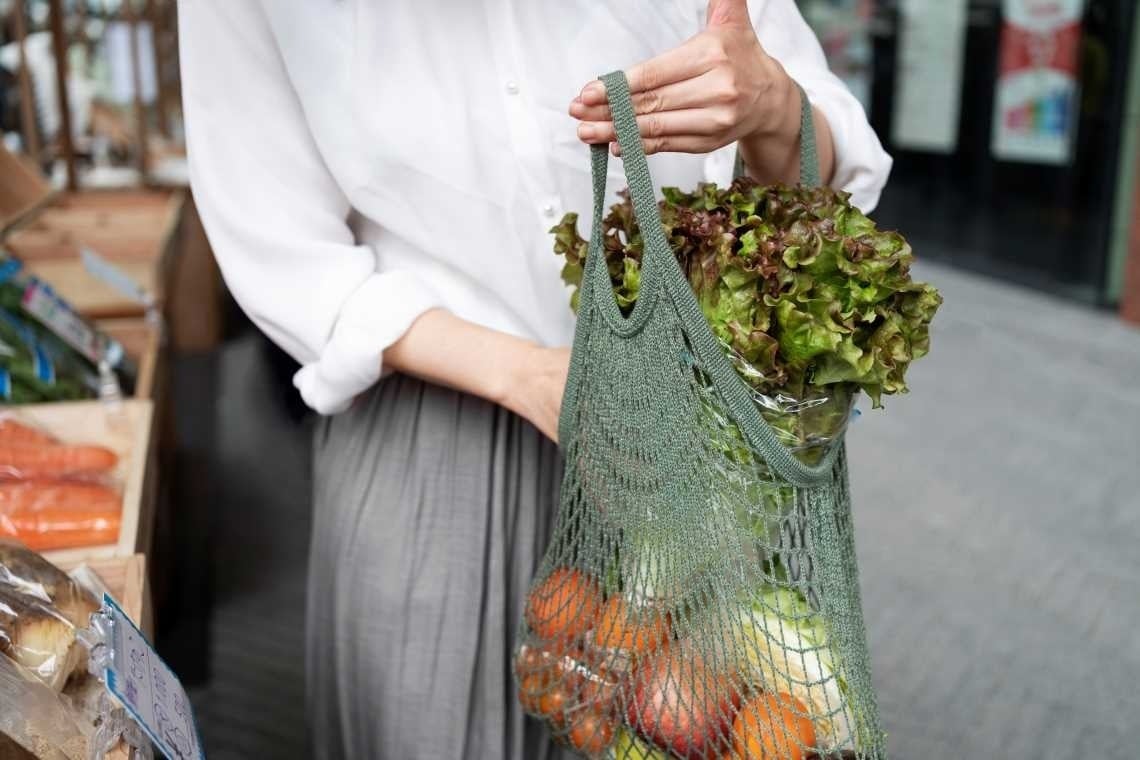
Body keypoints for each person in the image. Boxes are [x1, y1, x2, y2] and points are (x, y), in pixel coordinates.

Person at [178, 1, 890, 757]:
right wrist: (532, 375)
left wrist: (773, 105)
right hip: (432, 439)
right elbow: (281, 247)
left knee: (687, 722)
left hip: (687, 435)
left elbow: (827, 174)